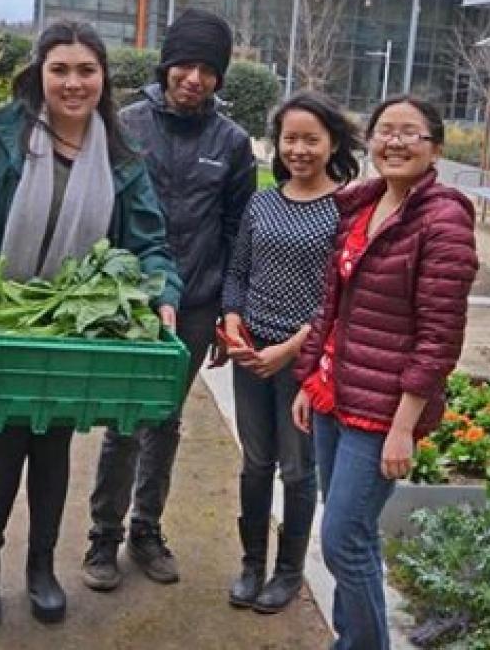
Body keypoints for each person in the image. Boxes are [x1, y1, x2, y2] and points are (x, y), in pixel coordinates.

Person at [0, 19, 181, 630]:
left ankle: (41, 568)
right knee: (5, 439)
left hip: (73, 321)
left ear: (104, 79)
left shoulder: (121, 154)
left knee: (54, 440)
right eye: (60, 69)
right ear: (40, 74)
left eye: (86, 70)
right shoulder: (9, 137)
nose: (73, 82)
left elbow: (150, 242)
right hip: (8, 315)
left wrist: (163, 293)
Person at [291, 96, 478, 649]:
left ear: (436, 148)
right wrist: (310, 378)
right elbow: (333, 305)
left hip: (383, 409)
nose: (394, 141)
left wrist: (405, 425)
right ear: (369, 141)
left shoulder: (443, 220)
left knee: (342, 536)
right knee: (351, 532)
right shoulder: (360, 205)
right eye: (384, 131)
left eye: (410, 133)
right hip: (337, 392)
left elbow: (439, 337)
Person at [82, 8, 255, 591]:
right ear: (166, 64)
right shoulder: (126, 124)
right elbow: (99, 208)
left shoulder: (231, 143)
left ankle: (146, 529)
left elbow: (237, 232)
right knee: (125, 421)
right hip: (132, 301)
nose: (195, 78)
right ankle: (102, 536)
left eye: (209, 69)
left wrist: (229, 314)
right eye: (186, 63)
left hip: (197, 304)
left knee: (165, 418)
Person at [220, 92, 362, 614]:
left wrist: (292, 349)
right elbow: (238, 273)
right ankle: (252, 564)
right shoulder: (263, 201)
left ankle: (287, 572)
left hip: (305, 359)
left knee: (299, 471)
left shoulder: (346, 210)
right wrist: (232, 320)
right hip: (251, 353)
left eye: (311, 139)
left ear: (332, 143)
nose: (299, 149)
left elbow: (341, 299)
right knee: (255, 464)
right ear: (276, 144)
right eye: (290, 139)